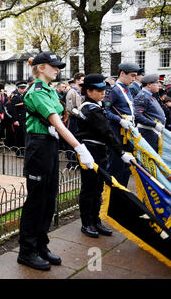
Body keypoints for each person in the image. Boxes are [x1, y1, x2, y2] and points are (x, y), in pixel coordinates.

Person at [17, 51, 95, 271]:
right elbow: (58, 123)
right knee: (36, 200)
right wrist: (79, 148)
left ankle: (41, 245)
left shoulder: (50, 90)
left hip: (50, 144)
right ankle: (27, 251)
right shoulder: (37, 91)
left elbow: (61, 118)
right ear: (40, 67)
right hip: (38, 146)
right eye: (53, 66)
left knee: (49, 198)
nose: (57, 69)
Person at [75, 74, 135, 238]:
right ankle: (86, 223)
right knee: (89, 188)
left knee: (97, 187)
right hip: (91, 151)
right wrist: (121, 152)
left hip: (99, 151)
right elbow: (106, 132)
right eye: (99, 90)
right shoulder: (91, 108)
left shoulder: (96, 106)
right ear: (89, 91)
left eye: (104, 90)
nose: (103, 93)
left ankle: (95, 220)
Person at [103, 62, 140, 187]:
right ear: (122, 73)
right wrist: (120, 120)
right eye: (132, 75)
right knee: (116, 167)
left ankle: (123, 195)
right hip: (117, 133)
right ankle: (113, 196)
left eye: (135, 76)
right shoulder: (113, 90)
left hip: (128, 133)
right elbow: (105, 110)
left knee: (126, 168)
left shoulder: (127, 89)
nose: (134, 79)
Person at [134, 74, 166, 152]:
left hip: (153, 133)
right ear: (149, 85)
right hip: (148, 133)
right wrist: (154, 124)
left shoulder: (150, 96)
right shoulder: (142, 96)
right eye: (157, 82)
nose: (159, 85)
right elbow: (138, 115)